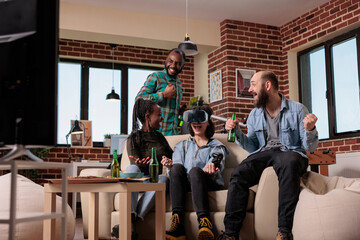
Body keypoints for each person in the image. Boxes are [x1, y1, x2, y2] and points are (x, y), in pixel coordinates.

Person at [217, 71, 319, 240]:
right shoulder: (254, 114)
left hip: (291, 152)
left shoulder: (297, 110)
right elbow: (253, 147)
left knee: (289, 162)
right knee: (239, 172)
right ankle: (230, 234)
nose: (250, 89)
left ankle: (284, 231)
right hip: (265, 153)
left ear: (267, 86)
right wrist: (236, 132)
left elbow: (310, 147)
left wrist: (310, 129)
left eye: (253, 84)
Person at [111, 98, 173, 239]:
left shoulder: (160, 137)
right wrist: (140, 164)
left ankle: (128, 225)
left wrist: (169, 162)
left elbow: (172, 157)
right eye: (159, 115)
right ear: (147, 117)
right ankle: (130, 225)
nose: (161, 118)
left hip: (154, 181)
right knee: (132, 169)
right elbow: (136, 162)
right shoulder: (134, 137)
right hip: (139, 181)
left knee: (164, 179)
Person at [165, 105, 230, 240]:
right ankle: (177, 224)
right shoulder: (181, 145)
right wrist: (170, 166)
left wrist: (212, 166)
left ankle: (204, 222)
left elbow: (217, 159)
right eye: (193, 119)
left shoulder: (217, 146)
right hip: (186, 184)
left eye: (201, 119)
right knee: (176, 168)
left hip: (207, 182)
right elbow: (177, 171)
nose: (197, 123)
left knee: (195, 171)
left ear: (208, 122)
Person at [135, 48, 186, 136]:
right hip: (156, 136)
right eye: (170, 61)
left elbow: (177, 121)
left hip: (174, 136)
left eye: (177, 63)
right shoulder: (156, 77)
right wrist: (163, 95)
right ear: (166, 60)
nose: (173, 65)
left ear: (182, 66)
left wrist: (181, 115)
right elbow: (139, 100)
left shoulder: (179, 84)